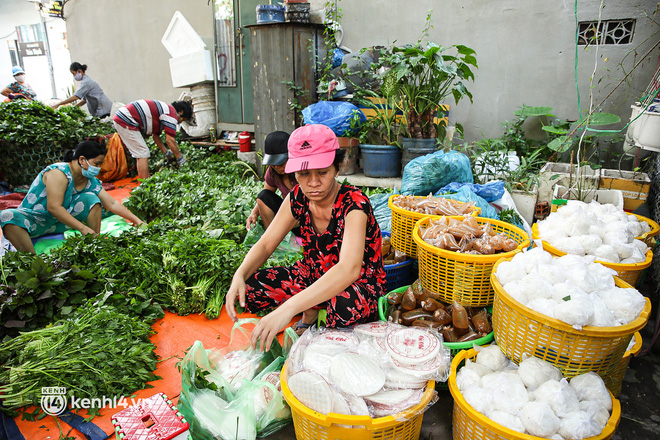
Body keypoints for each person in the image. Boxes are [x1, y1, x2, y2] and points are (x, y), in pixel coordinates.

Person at [226, 124, 387, 351]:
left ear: (337, 168)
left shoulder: (355, 204)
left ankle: (310, 311)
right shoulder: (297, 198)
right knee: (250, 288)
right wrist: (240, 274)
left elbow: (348, 269)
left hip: (355, 285)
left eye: (322, 172)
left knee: (344, 306)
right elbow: (265, 245)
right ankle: (312, 307)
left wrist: (287, 309)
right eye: (303, 174)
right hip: (311, 275)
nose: (312, 183)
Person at [0, 140, 145, 254]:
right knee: (7, 215)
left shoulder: (89, 180)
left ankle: (94, 243)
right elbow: (53, 207)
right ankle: (33, 263)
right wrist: (82, 228)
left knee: (91, 198)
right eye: (96, 163)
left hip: (59, 222)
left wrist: (137, 221)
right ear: (82, 160)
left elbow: (111, 203)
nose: (99, 168)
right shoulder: (59, 173)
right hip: (35, 221)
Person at [112, 99, 193, 180]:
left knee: (141, 153)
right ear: (180, 112)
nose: (180, 122)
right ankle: (145, 184)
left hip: (123, 117)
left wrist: (166, 153)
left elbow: (155, 136)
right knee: (142, 153)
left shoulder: (164, 112)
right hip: (126, 119)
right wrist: (180, 158)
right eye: (183, 119)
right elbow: (170, 140)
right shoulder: (171, 113)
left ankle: (147, 180)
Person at [245, 131, 299, 233]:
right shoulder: (273, 172)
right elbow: (265, 197)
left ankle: (281, 233)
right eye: (274, 163)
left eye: (281, 162)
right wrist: (254, 213)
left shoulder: (302, 171)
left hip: (306, 219)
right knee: (263, 196)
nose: (277, 167)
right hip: (288, 215)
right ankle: (271, 236)